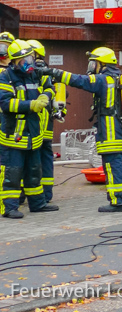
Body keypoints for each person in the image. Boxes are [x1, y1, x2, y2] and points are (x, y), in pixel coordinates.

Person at [51, 47, 122, 212]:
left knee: (113, 166)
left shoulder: (103, 79)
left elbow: (80, 80)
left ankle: (118, 201)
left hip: (110, 132)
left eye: (94, 62)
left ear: (102, 63)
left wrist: (56, 73)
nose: (92, 66)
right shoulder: (120, 78)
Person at [0, 41, 59, 218]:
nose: (29, 62)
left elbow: (50, 88)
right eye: (24, 59)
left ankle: (37, 203)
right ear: (14, 61)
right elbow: (5, 103)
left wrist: (45, 95)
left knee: (34, 170)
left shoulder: (36, 74)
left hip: (34, 132)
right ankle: (9, 207)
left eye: (30, 58)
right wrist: (31, 105)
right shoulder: (6, 77)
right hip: (14, 133)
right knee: (13, 171)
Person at [26, 40, 64, 204]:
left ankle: (28, 193)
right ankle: (46, 194)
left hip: (35, 123)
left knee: (30, 158)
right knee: (46, 158)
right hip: (47, 123)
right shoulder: (49, 71)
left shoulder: (33, 71)